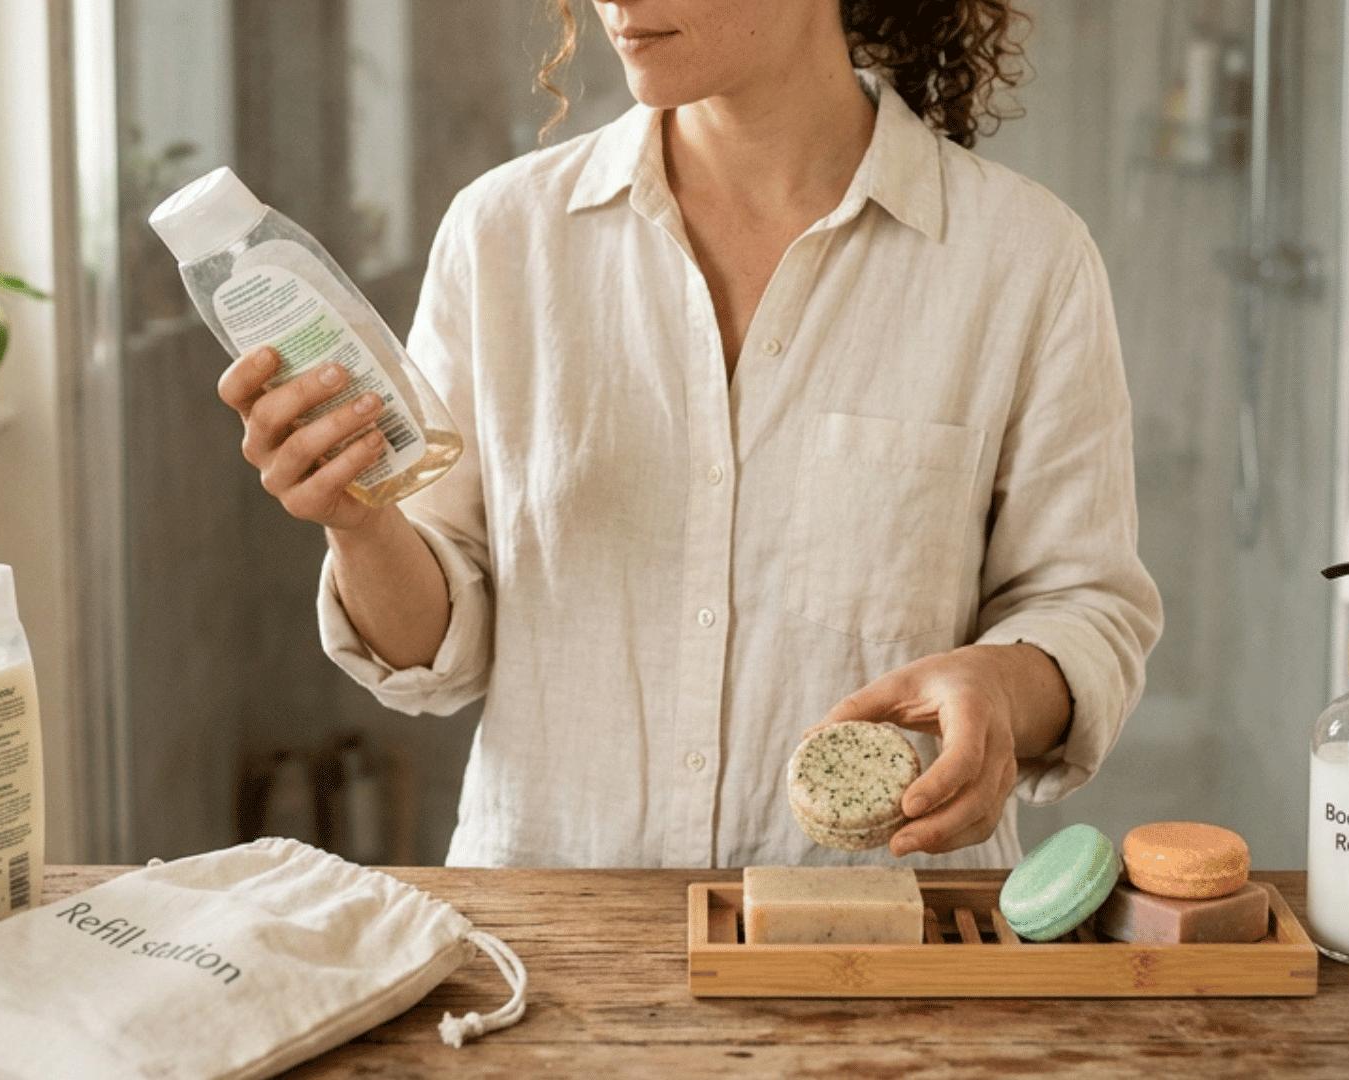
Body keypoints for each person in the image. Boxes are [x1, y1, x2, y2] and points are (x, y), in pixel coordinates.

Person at [217, 0, 1162, 869]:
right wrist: (363, 524)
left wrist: (1002, 688)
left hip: (883, 949)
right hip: (555, 954)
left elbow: (1087, 607)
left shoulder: (1022, 259)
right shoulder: (504, 237)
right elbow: (437, 655)